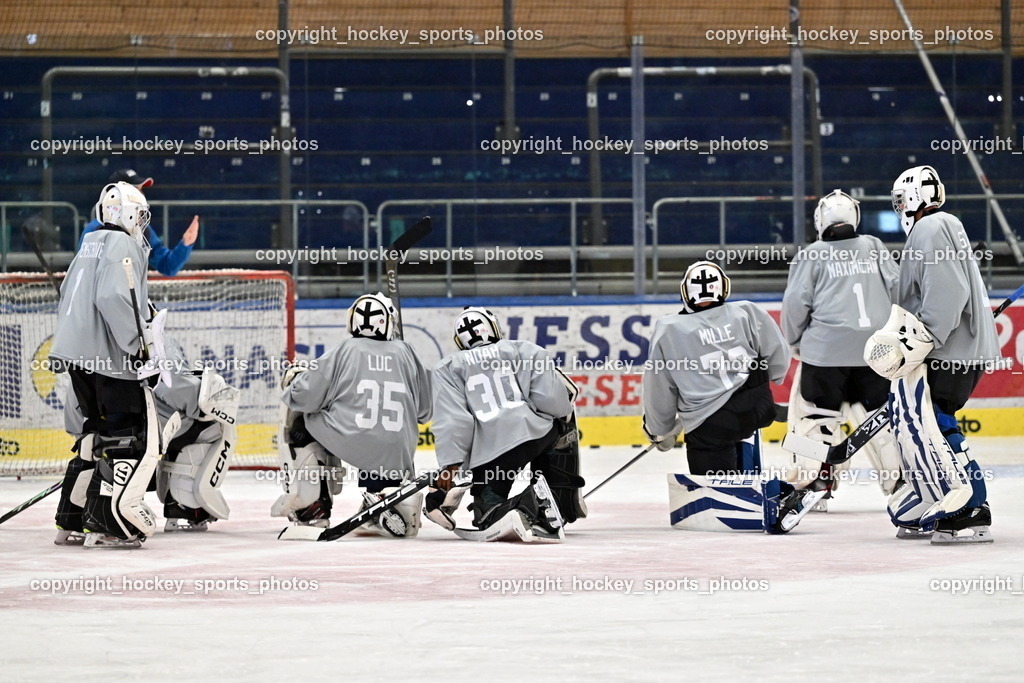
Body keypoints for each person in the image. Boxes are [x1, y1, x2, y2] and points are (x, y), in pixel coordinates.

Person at [864, 165, 1000, 543]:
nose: (898, 207)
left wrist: (920, 339)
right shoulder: (941, 226)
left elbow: (947, 295)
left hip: (949, 351)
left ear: (913, 197)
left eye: (900, 199)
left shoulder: (931, 227)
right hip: (957, 347)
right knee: (922, 422)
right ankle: (933, 493)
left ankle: (970, 504)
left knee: (934, 421)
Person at [644, 261, 820, 533]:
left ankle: (754, 496)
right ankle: (775, 490)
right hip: (756, 405)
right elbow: (779, 359)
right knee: (744, 428)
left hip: (710, 425)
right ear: (723, 288)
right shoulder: (748, 312)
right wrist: (768, 381)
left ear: (685, 292)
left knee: (716, 490)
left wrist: (660, 429)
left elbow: (659, 386)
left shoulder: (668, 329)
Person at [49, 181, 163, 548]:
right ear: (128, 211)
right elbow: (116, 296)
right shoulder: (122, 244)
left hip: (78, 356)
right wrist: (140, 347)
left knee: (92, 434)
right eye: (140, 214)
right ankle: (110, 521)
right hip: (108, 359)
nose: (141, 223)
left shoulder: (89, 243)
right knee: (125, 435)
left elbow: (72, 294)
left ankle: (74, 517)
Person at [273, 293, 432, 537]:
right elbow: (425, 411)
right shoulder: (406, 352)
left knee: (301, 423)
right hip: (398, 453)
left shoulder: (346, 349)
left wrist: (295, 381)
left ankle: (313, 508)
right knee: (379, 445)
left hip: (357, 441)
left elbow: (306, 396)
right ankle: (384, 496)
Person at [780, 189, 901, 507]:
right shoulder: (874, 246)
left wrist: (796, 343)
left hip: (824, 357)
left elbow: (795, 307)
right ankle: (901, 488)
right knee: (879, 422)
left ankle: (814, 482)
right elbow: (898, 289)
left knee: (812, 420)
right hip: (875, 355)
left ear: (820, 221)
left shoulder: (811, 255)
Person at [426, 307, 580, 542]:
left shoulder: (447, 368)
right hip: (537, 435)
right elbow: (555, 403)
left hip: (494, 456)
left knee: (486, 516)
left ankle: (531, 503)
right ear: (494, 328)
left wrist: (450, 467)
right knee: (562, 429)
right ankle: (559, 497)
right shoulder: (524, 350)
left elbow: (454, 423)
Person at [80, 169, 198, 276]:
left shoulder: (143, 229)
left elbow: (167, 266)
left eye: (141, 190)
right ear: (116, 194)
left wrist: (185, 244)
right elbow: (83, 275)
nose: (142, 195)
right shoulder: (93, 232)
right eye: (136, 190)